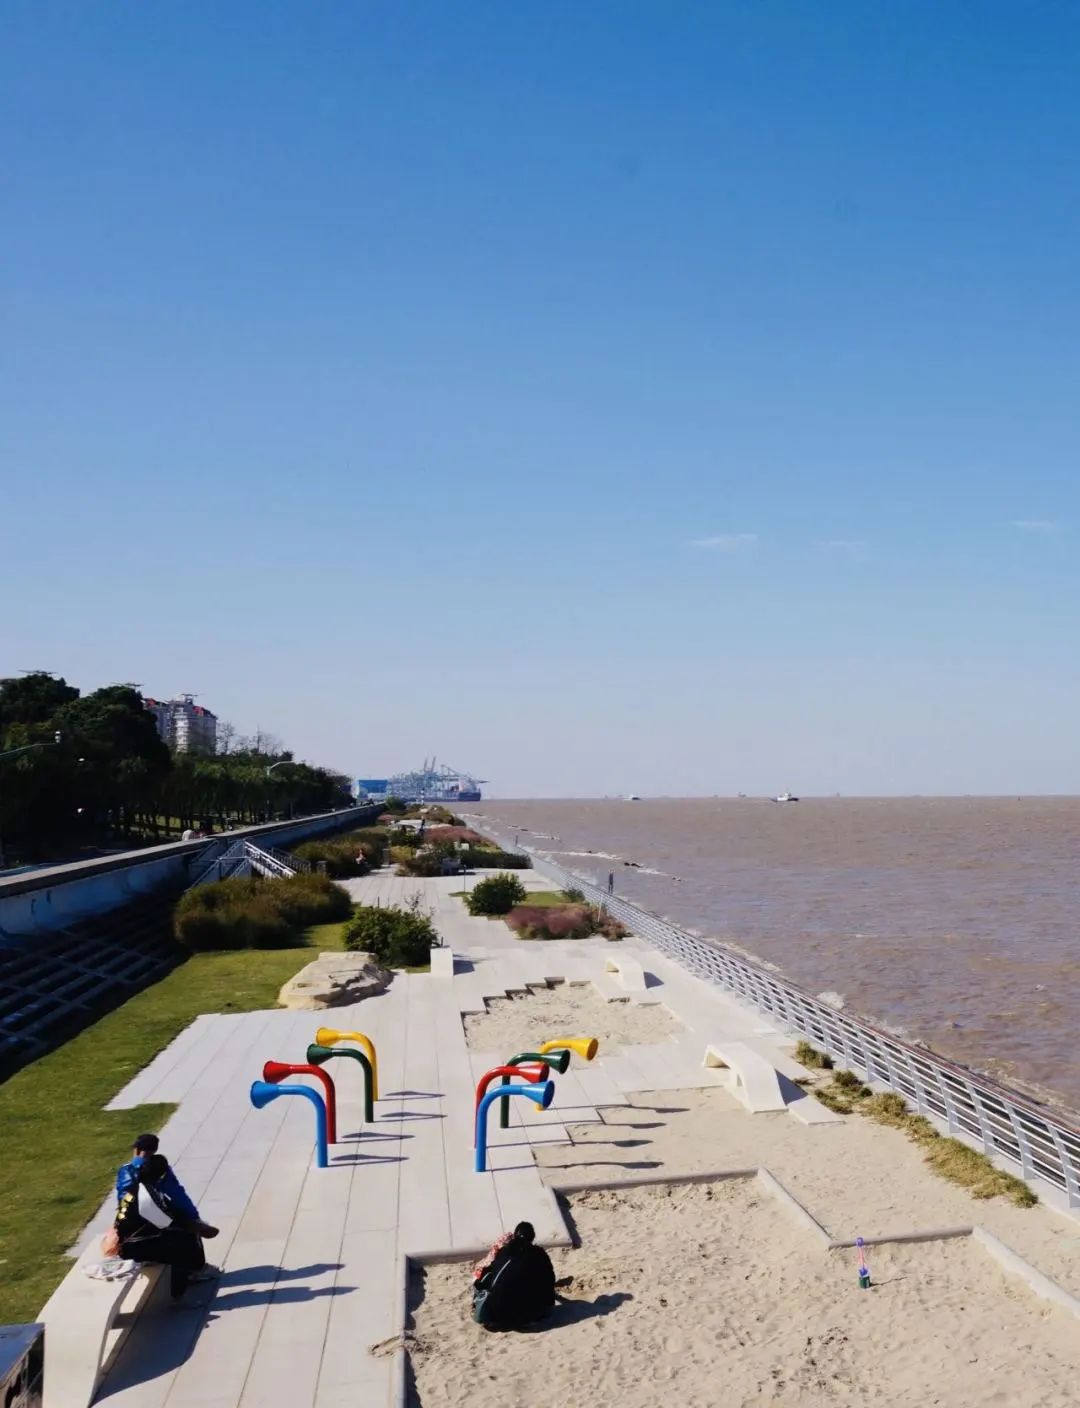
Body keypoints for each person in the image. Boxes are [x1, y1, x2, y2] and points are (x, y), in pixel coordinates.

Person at [114, 1154, 214, 1302]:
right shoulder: (145, 1196)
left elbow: (168, 1210)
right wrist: (194, 1226)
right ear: (161, 1175)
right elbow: (166, 1223)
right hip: (132, 1247)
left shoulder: (142, 1187)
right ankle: (178, 1295)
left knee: (187, 1234)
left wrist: (193, 1223)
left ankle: (193, 1271)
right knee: (181, 1245)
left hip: (136, 1239)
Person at [116, 1134, 218, 1239]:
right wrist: (194, 1216)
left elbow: (123, 1197)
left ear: (136, 1150)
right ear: (155, 1150)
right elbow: (177, 1194)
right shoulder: (163, 1167)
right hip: (161, 1213)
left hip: (134, 1218)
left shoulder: (126, 1170)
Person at [472, 1222, 555, 1330]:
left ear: (514, 1236)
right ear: (532, 1237)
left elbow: (490, 1271)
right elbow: (549, 1280)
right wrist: (548, 1303)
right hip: (521, 1317)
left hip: (493, 1313)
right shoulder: (539, 1254)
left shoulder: (504, 1250)